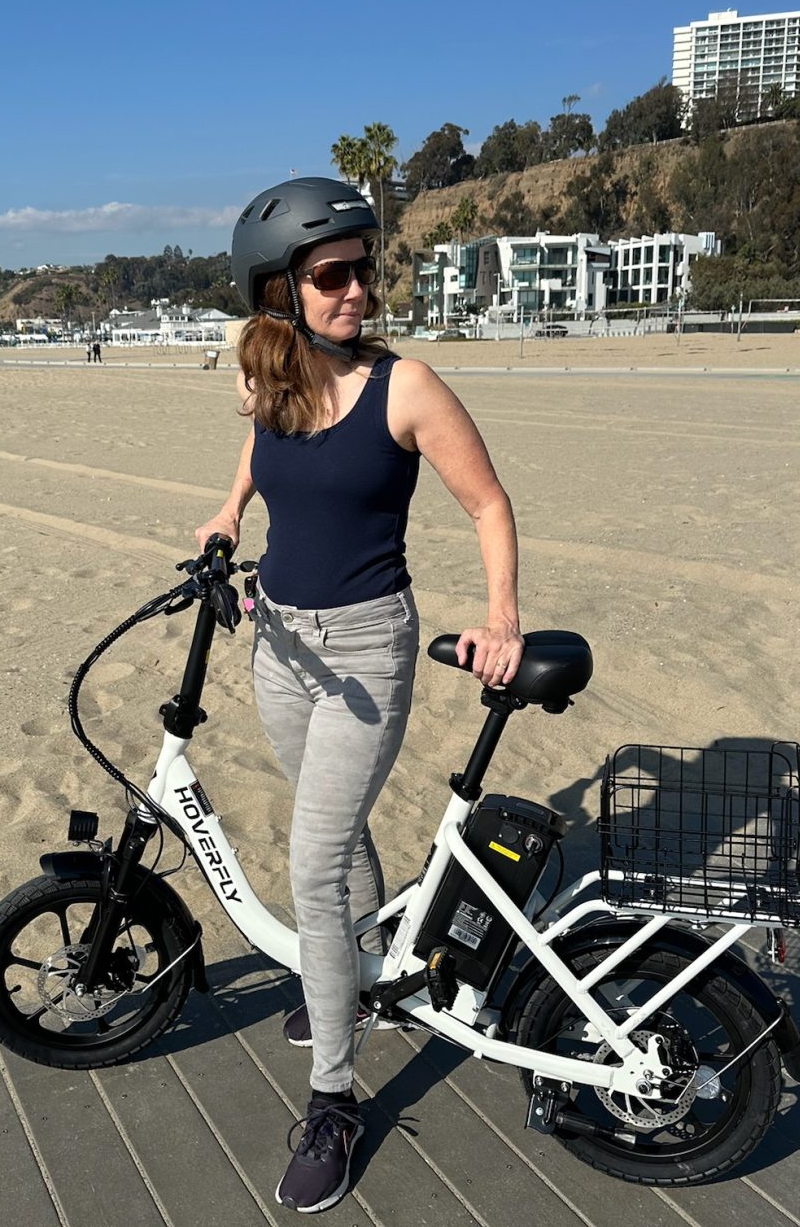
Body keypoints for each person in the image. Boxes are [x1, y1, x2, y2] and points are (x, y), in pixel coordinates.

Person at [194, 177, 521, 1213]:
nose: (356, 291)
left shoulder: (407, 386)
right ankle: (366, 972)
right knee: (335, 841)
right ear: (278, 291)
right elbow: (258, 449)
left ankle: (333, 1095)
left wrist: (501, 617)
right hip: (276, 639)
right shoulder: (270, 376)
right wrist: (226, 513)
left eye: (362, 270)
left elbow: (488, 501)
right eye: (331, 275)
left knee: (312, 859)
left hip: (369, 650)